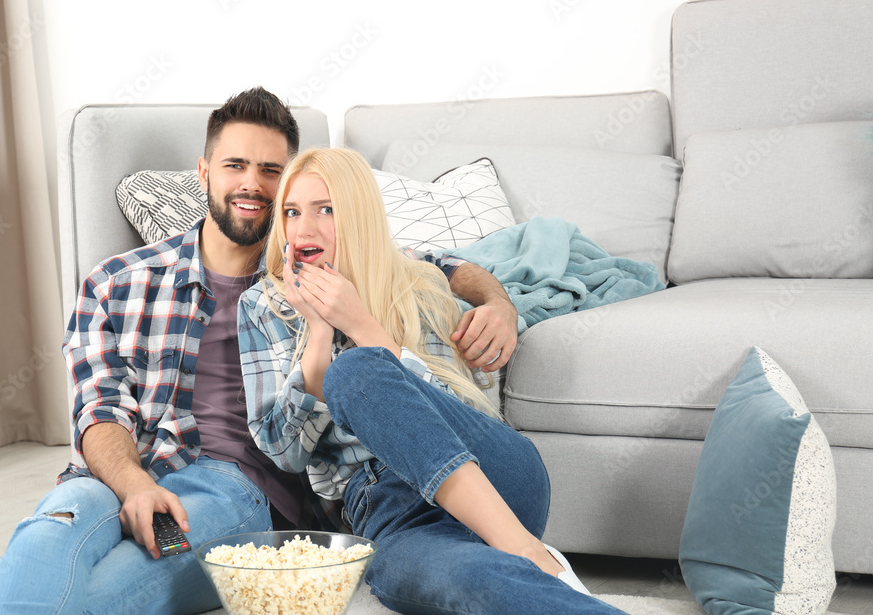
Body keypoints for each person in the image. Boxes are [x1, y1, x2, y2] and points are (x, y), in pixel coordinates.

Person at [0, 88, 515, 615]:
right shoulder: (117, 283)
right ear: (204, 172)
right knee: (53, 529)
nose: (253, 185)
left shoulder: (305, 277)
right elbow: (97, 411)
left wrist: (497, 301)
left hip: (233, 489)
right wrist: (131, 484)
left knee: (120, 587)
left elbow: (434, 266)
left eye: (271, 171)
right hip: (117, 474)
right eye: (236, 165)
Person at [238, 147, 628, 614]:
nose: (304, 228)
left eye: (326, 209)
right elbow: (284, 452)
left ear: (359, 216)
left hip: (492, 470)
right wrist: (317, 336)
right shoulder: (263, 304)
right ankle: (531, 569)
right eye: (292, 211)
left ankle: (529, 550)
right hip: (389, 510)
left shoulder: (418, 283)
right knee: (476, 581)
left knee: (357, 370)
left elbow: (449, 409)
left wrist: (362, 326)